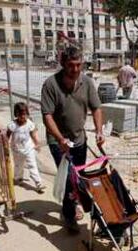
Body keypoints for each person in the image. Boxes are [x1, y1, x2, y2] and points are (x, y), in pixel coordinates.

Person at [41, 46, 104, 233]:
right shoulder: (51, 84)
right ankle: (68, 216)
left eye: (78, 65)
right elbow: (47, 116)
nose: (75, 69)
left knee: (80, 178)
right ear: (62, 64)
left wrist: (99, 131)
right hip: (58, 141)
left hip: (79, 139)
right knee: (70, 180)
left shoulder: (87, 82)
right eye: (71, 65)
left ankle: (75, 203)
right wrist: (60, 139)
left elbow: (96, 108)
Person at [7, 102, 46, 194]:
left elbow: (33, 135)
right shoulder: (12, 125)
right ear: (16, 114)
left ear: (27, 114)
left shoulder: (29, 124)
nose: (22, 117)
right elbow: (7, 136)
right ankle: (18, 177)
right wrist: (5, 145)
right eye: (20, 115)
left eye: (24, 114)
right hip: (17, 150)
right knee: (18, 165)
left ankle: (38, 183)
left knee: (32, 165)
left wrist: (37, 144)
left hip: (29, 149)